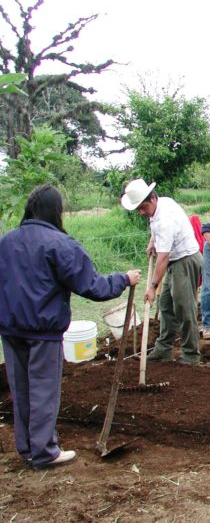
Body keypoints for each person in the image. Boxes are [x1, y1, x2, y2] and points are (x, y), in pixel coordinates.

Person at [0, 185, 141, 470]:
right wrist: (123, 278)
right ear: (56, 211)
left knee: (22, 388)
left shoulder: (8, 240)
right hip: (42, 329)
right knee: (43, 389)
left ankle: (27, 447)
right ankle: (44, 451)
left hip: (10, 327)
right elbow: (92, 286)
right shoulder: (59, 243)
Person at [121, 179, 203, 365]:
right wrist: (153, 240)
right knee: (166, 305)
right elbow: (156, 229)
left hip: (185, 261)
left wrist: (151, 286)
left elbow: (163, 258)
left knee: (184, 307)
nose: (142, 212)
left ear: (153, 198)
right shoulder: (162, 203)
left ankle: (191, 355)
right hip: (175, 261)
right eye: (139, 209)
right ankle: (163, 349)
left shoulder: (165, 220)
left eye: (143, 208)